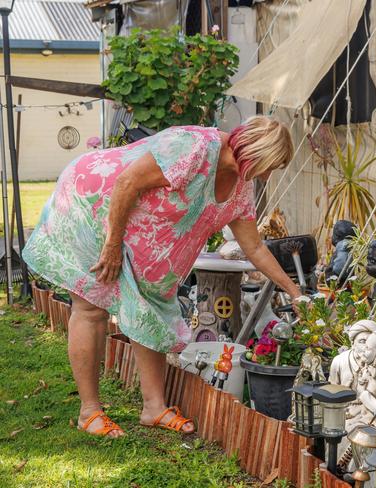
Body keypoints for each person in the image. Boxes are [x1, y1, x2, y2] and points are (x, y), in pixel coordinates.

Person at [23, 116, 302, 437]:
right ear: (255, 151)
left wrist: (294, 292)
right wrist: (112, 245)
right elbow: (127, 183)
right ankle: (89, 412)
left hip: (140, 237)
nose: (268, 174)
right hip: (94, 202)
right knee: (91, 307)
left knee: (151, 309)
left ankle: (153, 408)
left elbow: (254, 247)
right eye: (269, 165)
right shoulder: (193, 147)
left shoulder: (242, 186)